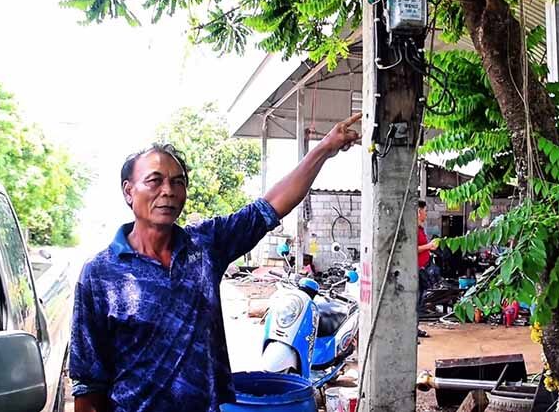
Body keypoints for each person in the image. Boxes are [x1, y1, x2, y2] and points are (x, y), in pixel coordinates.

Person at [69, 113, 361, 412]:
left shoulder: (205, 245)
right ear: (129, 191)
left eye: (178, 182)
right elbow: (88, 383)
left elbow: (270, 206)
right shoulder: (100, 273)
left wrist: (325, 148)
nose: (168, 191)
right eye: (154, 181)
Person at [416, 200, 439, 337]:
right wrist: (429, 246)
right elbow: (413, 249)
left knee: (419, 302)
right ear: (419, 212)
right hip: (417, 270)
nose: (426, 214)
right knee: (416, 302)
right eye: (425, 211)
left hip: (422, 268)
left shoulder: (420, 229)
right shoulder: (414, 229)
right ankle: (413, 331)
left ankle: (415, 328)